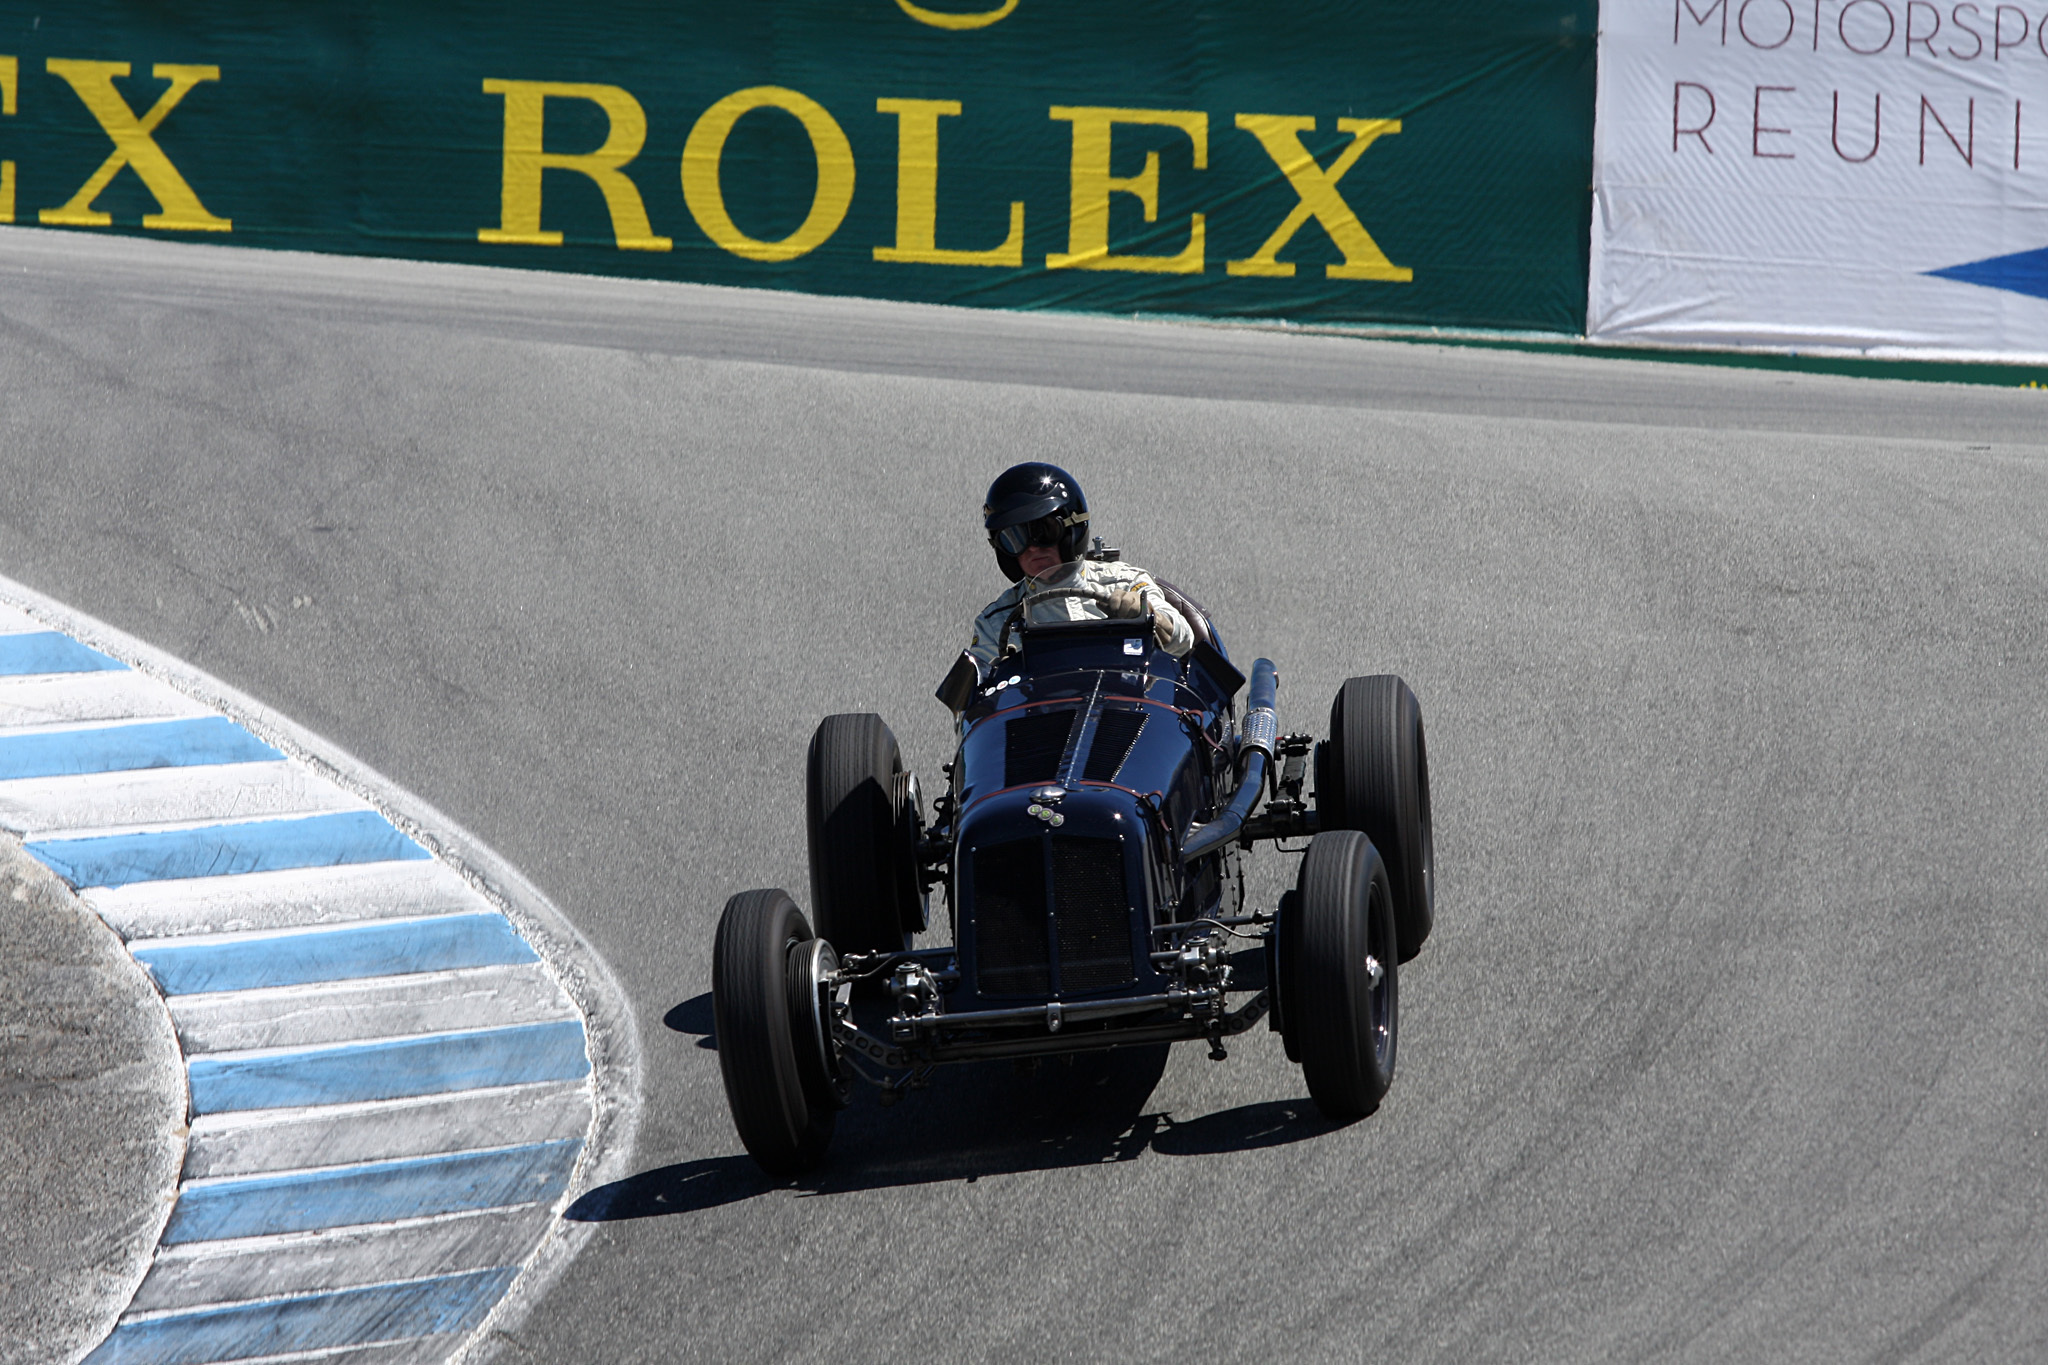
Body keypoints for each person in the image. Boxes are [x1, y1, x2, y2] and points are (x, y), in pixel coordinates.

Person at [965, 462, 1194, 670]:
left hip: (1128, 707)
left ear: (1070, 531)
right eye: (1014, 538)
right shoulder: (996, 623)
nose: (1032, 548)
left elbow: (1183, 641)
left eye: (1044, 532)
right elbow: (974, 704)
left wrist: (1151, 617)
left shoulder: (1127, 582)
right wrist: (999, 672)